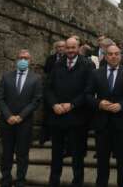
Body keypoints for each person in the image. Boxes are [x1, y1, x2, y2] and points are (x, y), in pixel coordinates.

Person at [86, 44, 123, 187]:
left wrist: (122, 105)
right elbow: (88, 95)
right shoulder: (96, 73)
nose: (113, 56)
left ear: (120, 56)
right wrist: (99, 103)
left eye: (116, 54)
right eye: (110, 54)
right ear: (105, 56)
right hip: (102, 125)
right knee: (102, 163)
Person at [45, 37, 93, 187]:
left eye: (73, 47)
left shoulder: (87, 65)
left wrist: (72, 105)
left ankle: (77, 182)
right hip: (57, 116)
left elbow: (88, 90)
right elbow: (48, 88)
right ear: (64, 48)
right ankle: (54, 182)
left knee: (77, 155)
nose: (70, 50)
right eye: (68, 48)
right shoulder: (57, 64)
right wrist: (54, 104)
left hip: (77, 117)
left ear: (79, 48)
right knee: (56, 154)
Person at [0, 49, 42, 187]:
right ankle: (6, 178)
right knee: (6, 152)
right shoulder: (6, 77)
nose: (23, 60)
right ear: (17, 59)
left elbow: (36, 101)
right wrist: (8, 115)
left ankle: (20, 179)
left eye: (26, 58)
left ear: (30, 61)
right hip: (7, 121)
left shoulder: (36, 78)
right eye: (21, 57)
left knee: (22, 153)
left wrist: (21, 116)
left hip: (25, 122)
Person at [40, 41, 66, 145]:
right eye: (58, 47)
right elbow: (46, 71)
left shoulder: (68, 59)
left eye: (62, 47)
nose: (60, 48)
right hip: (51, 88)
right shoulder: (50, 59)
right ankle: (45, 136)